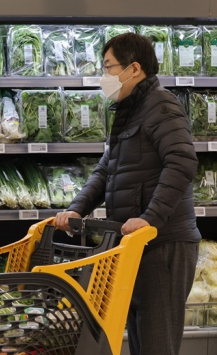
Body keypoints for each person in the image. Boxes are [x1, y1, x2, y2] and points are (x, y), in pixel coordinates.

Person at [55, 33, 200, 355]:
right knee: (139, 339)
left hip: (163, 244)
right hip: (136, 244)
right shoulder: (131, 111)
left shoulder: (160, 105)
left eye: (108, 67)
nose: (103, 76)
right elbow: (107, 169)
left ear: (133, 69)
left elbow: (182, 162)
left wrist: (150, 219)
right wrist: (77, 208)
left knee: (155, 343)